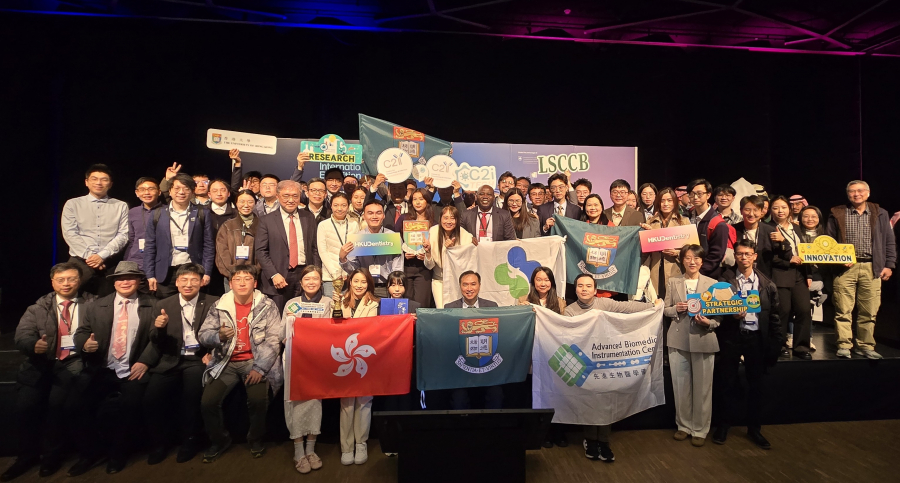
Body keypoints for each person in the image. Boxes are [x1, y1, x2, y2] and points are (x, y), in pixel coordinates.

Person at [2, 263, 96, 480]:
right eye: (61, 280)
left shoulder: (93, 304)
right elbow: (22, 335)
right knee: (26, 406)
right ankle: (26, 457)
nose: (66, 284)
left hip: (74, 362)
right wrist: (33, 344)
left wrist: (93, 344)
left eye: (71, 279)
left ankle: (51, 458)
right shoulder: (38, 307)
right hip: (40, 364)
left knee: (56, 407)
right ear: (52, 282)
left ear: (79, 281)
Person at [72, 261, 156, 474]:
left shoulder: (153, 304)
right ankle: (88, 455)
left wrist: (145, 361)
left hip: (133, 368)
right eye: (120, 278)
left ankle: (117, 455)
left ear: (139, 281)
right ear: (114, 282)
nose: (125, 282)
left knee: (129, 408)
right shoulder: (96, 305)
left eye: (130, 278)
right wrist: (85, 344)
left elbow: (157, 340)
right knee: (78, 405)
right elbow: (82, 331)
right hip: (102, 367)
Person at [564, 273, 657, 461]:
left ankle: (604, 441)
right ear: (575, 289)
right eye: (580, 286)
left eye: (588, 286)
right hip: (585, 364)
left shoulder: (604, 304)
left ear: (595, 290)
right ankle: (590, 440)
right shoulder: (569, 311)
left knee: (605, 401)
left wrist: (653, 306)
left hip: (605, 360)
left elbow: (628, 307)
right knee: (589, 401)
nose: (584, 289)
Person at [198, 263, 283, 463]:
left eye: (247, 279)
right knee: (208, 402)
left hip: (254, 361)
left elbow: (273, 340)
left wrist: (260, 368)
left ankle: (255, 439)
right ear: (230, 284)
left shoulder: (267, 305)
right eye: (237, 279)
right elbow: (203, 334)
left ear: (255, 283)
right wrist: (218, 336)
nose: (242, 283)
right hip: (225, 362)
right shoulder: (219, 305)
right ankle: (220, 440)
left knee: (258, 400)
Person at [142, 263, 219, 464]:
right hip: (169, 359)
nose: (188, 284)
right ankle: (159, 444)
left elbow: (221, 333)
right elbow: (154, 340)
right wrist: (159, 328)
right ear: (176, 282)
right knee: (152, 399)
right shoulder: (163, 304)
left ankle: (189, 442)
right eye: (184, 280)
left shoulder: (213, 302)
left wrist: (213, 353)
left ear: (201, 283)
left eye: (194, 280)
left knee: (191, 398)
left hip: (197, 359)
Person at [713, 240, 782, 449]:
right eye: (740, 254)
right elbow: (716, 310)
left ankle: (754, 429)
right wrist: (731, 315)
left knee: (757, 385)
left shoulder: (767, 284)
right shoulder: (724, 281)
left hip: (756, 338)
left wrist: (776, 344)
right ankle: (723, 426)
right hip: (732, 337)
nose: (744, 257)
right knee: (726, 383)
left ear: (755, 256)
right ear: (735, 256)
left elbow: (775, 317)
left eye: (748, 254)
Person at [825, 180, 896, 359]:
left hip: (872, 267)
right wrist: (838, 261)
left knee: (869, 310)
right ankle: (844, 344)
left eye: (860, 190)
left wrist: (889, 265)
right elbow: (828, 242)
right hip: (845, 268)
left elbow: (889, 240)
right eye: (852, 191)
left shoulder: (880, 213)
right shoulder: (838, 213)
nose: (856, 194)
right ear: (847, 194)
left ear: (868, 193)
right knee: (843, 309)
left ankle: (865, 346)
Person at [663, 245, 720, 447]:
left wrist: (708, 322)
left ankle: (700, 429)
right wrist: (676, 309)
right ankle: (683, 426)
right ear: (682, 260)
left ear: (702, 261)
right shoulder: (673, 282)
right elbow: (665, 309)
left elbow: (719, 316)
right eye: (687, 258)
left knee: (703, 388)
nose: (692, 262)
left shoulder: (713, 284)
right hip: (678, 339)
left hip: (703, 338)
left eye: (696, 258)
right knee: (680, 386)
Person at [282, 266, 332, 474]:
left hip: (316, 360)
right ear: (301, 283)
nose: (311, 282)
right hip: (294, 358)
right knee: (293, 401)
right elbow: (282, 334)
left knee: (314, 402)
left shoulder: (329, 303)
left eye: (315, 278)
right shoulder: (291, 304)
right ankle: (298, 452)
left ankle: (310, 450)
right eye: (307, 279)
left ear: (321, 282)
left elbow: (330, 332)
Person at [61, 164, 129, 296]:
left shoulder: (120, 205)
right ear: (86, 182)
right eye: (94, 179)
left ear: (110, 184)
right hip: (80, 260)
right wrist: (91, 257)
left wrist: (101, 256)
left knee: (107, 302)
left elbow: (123, 234)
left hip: (109, 261)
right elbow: (70, 233)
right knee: (71, 298)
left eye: (104, 179)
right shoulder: (73, 204)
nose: (99, 183)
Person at [144, 173, 215, 299]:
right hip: (165, 272)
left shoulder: (202, 213)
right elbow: (150, 246)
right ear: (170, 191)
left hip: (193, 270)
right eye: (177, 188)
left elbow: (208, 245)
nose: (181, 192)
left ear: (192, 192)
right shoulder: (157, 213)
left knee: (193, 307)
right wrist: (150, 275)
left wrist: (207, 272)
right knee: (166, 308)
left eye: (186, 188)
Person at [336, 268, 380, 465]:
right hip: (344, 357)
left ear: (368, 284)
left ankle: (361, 443)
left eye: (363, 281)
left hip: (365, 358)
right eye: (356, 281)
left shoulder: (374, 304)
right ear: (350, 282)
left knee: (363, 402)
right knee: (346, 404)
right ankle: (347, 447)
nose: (359, 285)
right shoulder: (339, 301)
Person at [256, 180, 320, 312]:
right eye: (286, 196)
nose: (291, 200)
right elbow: (261, 251)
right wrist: (273, 274)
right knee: (278, 317)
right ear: (278, 196)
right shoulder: (266, 220)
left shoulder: (308, 217)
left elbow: (314, 248)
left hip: (304, 275)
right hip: (278, 277)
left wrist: (315, 272)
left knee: (303, 316)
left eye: (295, 196)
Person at [445, 271, 501, 410]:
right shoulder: (449, 308)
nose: (469, 288)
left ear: (479, 285)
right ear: (460, 286)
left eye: (473, 284)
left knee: (496, 395)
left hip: (486, 364)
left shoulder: (491, 306)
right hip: (460, 366)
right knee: (458, 400)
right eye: (465, 285)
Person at [769, 196, 812, 359]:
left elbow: (805, 251)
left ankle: (801, 347)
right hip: (780, 273)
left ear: (789, 209)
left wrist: (808, 274)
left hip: (799, 274)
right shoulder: (768, 228)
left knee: (804, 310)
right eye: (776, 208)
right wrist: (788, 261)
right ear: (770, 210)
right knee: (783, 311)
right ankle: (779, 345)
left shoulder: (797, 228)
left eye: (783, 207)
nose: (780, 211)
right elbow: (768, 257)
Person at [339, 199, 404, 298]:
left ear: (383, 215)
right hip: (363, 288)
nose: (374, 216)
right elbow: (353, 270)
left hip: (386, 288)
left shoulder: (392, 237)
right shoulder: (357, 238)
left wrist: (395, 287)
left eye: (378, 213)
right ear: (364, 216)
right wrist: (343, 259)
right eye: (370, 213)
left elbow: (398, 267)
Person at [641, 188, 689, 298]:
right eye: (662, 201)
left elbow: (691, 249)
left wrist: (677, 253)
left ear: (675, 202)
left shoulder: (683, 222)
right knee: (656, 300)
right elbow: (645, 249)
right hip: (655, 268)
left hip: (675, 267)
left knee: (673, 300)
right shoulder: (650, 222)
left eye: (669, 200)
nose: (665, 204)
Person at [424, 206, 475, 308]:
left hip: (457, 282)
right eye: (445, 218)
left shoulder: (465, 235)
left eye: (452, 218)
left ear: (457, 220)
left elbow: (465, 264)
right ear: (440, 219)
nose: (448, 221)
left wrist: (453, 250)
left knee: (457, 311)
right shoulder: (433, 232)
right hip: (439, 280)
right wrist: (428, 252)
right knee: (442, 310)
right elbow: (429, 266)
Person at [732, 195, 789, 279]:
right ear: (741, 211)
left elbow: (786, 256)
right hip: (737, 277)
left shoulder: (770, 230)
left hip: (764, 278)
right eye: (747, 210)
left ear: (762, 212)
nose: (751, 214)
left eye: (755, 210)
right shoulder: (733, 230)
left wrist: (782, 241)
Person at [397, 188, 435, 308]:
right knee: (406, 305)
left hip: (424, 269)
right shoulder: (403, 218)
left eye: (421, 199)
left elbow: (437, 245)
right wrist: (403, 254)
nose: (418, 202)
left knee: (421, 306)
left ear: (427, 201)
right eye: (414, 199)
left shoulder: (433, 221)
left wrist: (427, 255)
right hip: (406, 267)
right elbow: (395, 241)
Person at [216, 189, 260, 288]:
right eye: (242, 201)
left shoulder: (263, 225)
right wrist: (233, 273)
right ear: (236, 203)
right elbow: (222, 252)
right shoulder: (227, 225)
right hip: (231, 277)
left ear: (255, 203)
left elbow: (266, 251)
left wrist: (255, 271)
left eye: (250, 201)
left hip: (257, 277)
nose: (246, 205)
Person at [686, 179, 729, 279]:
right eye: (692, 194)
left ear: (708, 195)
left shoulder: (718, 224)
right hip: (687, 274)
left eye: (699, 194)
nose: (695, 197)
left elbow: (716, 256)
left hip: (707, 277)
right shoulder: (686, 217)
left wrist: (698, 273)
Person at [318, 193, 353, 298]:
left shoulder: (354, 224)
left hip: (349, 277)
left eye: (343, 205)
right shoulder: (323, 225)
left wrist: (348, 272)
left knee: (348, 306)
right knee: (332, 305)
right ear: (331, 206)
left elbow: (355, 252)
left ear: (348, 206)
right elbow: (322, 251)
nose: (339, 209)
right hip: (330, 277)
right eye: (336, 205)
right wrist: (335, 273)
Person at [799, 205, 828, 322]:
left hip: (819, 272)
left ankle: (817, 295)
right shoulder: (795, 233)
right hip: (800, 272)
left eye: (813, 216)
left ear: (819, 218)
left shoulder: (826, 236)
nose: (810, 219)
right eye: (806, 216)